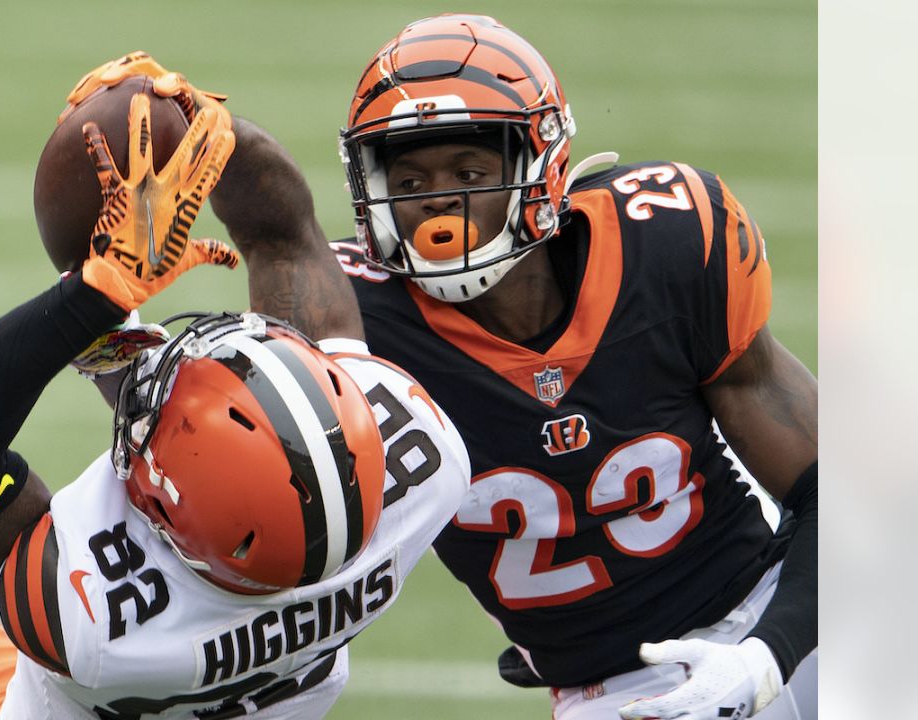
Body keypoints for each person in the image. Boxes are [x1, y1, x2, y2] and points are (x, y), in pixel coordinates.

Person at [0, 57, 471, 720]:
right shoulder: (424, 469)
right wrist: (212, 132)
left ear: (160, 513)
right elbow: (284, 236)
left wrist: (94, 295)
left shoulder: (93, 626)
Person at [324, 13, 817, 720]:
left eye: (468, 170)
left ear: (539, 167)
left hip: (776, 612)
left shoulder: (664, 246)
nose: (437, 199)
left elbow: (839, 493)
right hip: (614, 689)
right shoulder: (354, 327)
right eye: (408, 176)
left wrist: (768, 652)